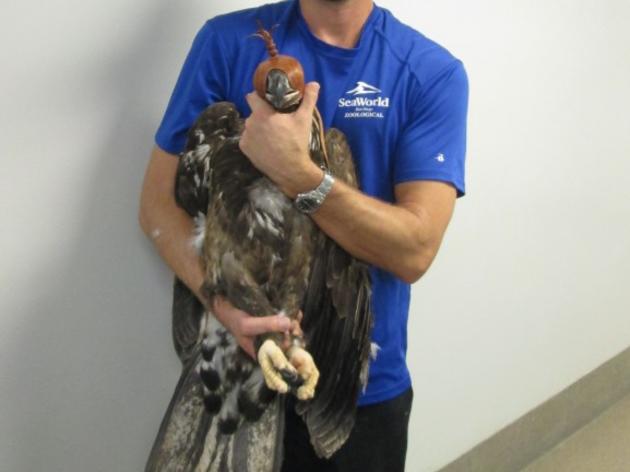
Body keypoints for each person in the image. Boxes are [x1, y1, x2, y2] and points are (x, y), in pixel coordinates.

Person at [139, 0, 468, 470]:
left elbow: (414, 251)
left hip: (356, 382)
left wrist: (300, 175)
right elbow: (158, 206)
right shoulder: (228, 43)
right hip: (235, 366)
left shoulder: (429, 72)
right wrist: (230, 310)